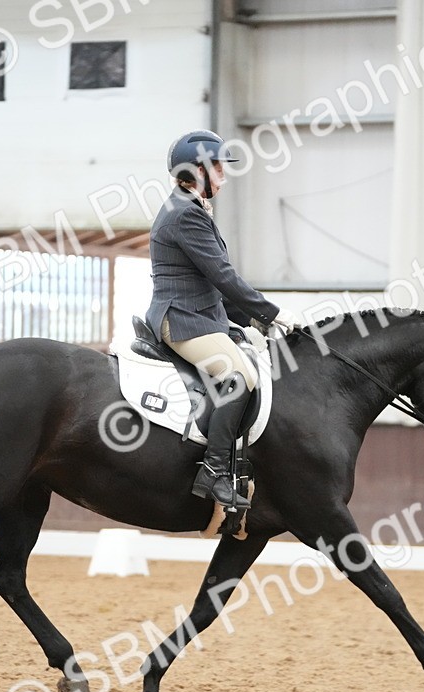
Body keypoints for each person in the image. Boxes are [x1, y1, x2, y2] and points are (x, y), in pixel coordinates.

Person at [144, 129, 302, 509]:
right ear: (196, 170)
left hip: (200, 313)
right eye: (217, 167)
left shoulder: (188, 208)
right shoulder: (184, 215)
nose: (224, 175)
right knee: (239, 377)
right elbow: (222, 275)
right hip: (182, 320)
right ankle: (213, 472)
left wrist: (252, 320)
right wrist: (270, 312)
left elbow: (208, 282)